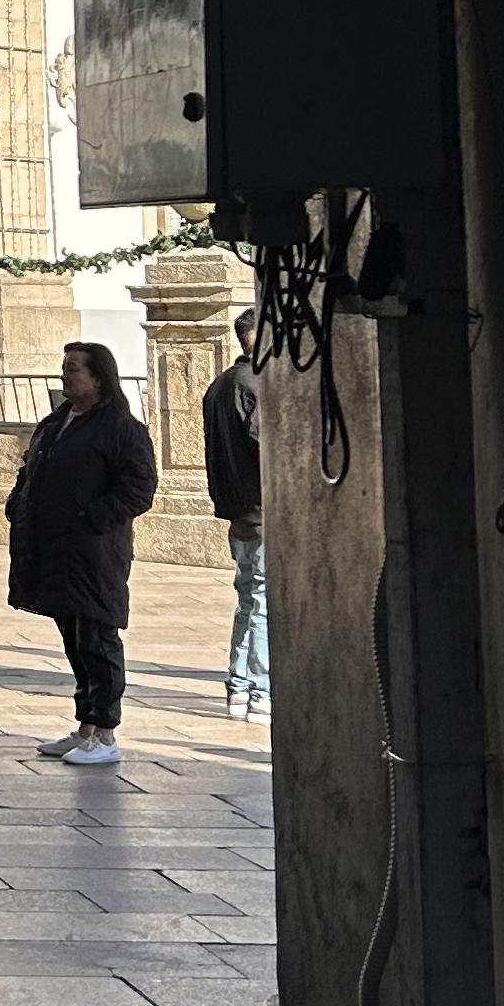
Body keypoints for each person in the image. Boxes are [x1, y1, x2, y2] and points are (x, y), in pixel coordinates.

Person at [7, 339, 159, 768]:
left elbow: (138, 487)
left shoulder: (121, 428)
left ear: (98, 377)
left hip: (93, 554)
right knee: (74, 640)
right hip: (54, 551)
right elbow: (30, 470)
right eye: (64, 367)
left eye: (74, 369)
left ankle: (106, 731)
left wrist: (92, 517)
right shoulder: (56, 423)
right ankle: (86, 725)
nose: (65, 375)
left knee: (97, 638)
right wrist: (18, 502)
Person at [201, 306, 268, 722]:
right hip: (262, 511)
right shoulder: (257, 384)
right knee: (262, 602)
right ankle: (260, 691)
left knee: (249, 597)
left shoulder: (218, 385)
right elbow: (267, 446)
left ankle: (239, 687)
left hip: (238, 513)